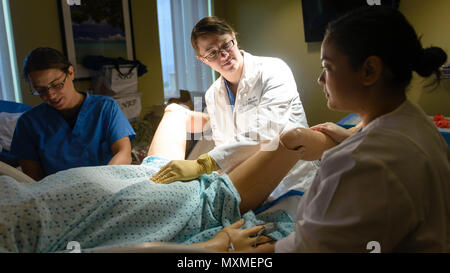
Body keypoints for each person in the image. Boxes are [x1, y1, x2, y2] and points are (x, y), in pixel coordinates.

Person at [0, 104, 335, 253]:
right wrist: (214, 246)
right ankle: (352, 139)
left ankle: (232, 131)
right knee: (292, 137)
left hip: (144, 173)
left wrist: (223, 141)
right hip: (188, 203)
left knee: (175, 111)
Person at [248, 6, 448, 252]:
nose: (320, 79)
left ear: (369, 71)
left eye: (328, 66)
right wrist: (354, 136)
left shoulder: (362, 164)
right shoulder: (416, 121)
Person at [151, 16, 318, 201]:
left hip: (293, 182)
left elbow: (266, 131)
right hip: (249, 186)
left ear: (234, 38)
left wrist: (203, 165)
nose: (223, 56)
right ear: (203, 59)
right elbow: (226, 145)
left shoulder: (273, 70)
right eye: (212, 53)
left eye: (225, 46)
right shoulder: (213, 95)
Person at [10, 47, 136, 181]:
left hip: (106, 186)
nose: (51, 95)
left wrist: (102, 182)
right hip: (58, 195)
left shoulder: (105, 108)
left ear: (70, 73)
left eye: (56, 85)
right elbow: (34, 181)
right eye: (40, 90)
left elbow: (124, 153)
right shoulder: (28, 123)